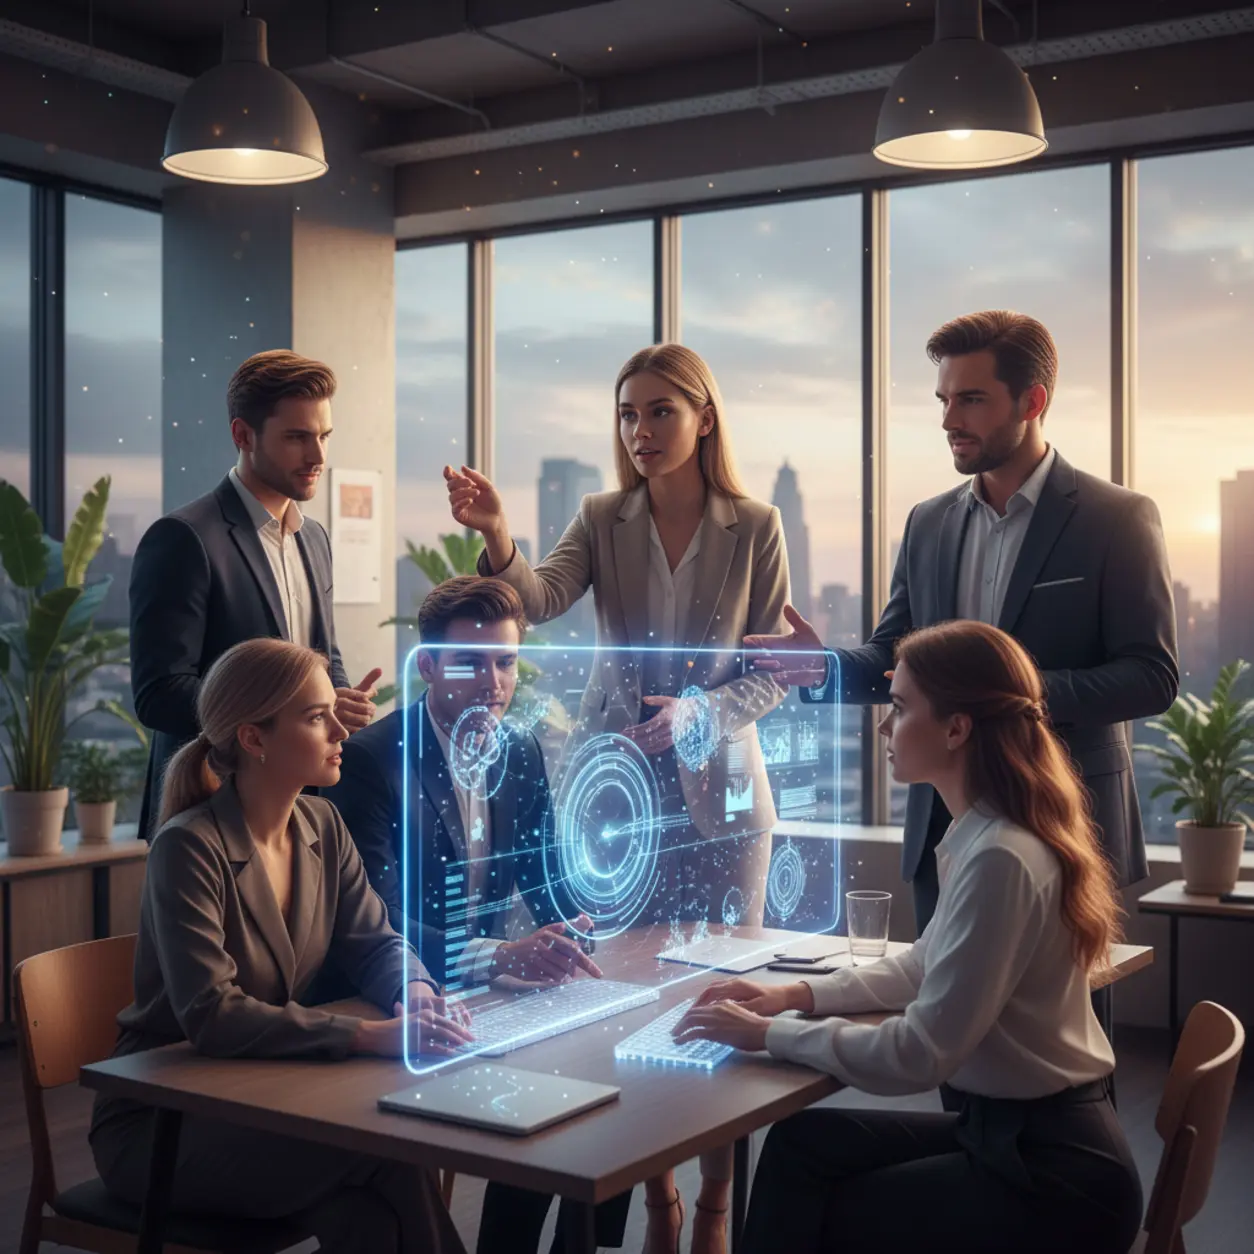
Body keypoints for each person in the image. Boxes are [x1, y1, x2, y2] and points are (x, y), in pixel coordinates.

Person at [444, 343, 791, 1254]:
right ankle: (655, 1191)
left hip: (723, 809)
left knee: (717, 1005)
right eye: (629, 414)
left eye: (661, 412)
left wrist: (698, 715)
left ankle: (714, 1196)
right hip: (616, 803)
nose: (641, 431)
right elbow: (541, 597)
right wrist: (498, 534)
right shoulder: (602, 517)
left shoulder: (755, 525)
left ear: (703, 418)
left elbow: (773, 672)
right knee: (621, 1006)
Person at [673, 620, 1144, 1254]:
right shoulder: (982, 833)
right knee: (799, 1146)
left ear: (957, 728)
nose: (883, 727)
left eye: (899, 708)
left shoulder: (1002, 854)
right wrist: (791, 998)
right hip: (1014, 1134)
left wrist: (769, 1037)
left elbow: (921, 1053)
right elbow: (922, 966)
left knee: (828, 1209)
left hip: (1053, 1175)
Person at [747, 310, 1177, 935]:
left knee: (1063, 1030)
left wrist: (999, 697)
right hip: (943, 831)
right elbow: (897, 656)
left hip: (1068, 824)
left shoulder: (1118, 518)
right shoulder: (929, 523)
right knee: (938, 1023)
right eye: (945, 400)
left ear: (1033, 400)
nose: (949, 420)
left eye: (971, 400)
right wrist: (825, 668)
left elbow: (1151, 677)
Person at [89, 638, 471, 1254]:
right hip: (164, 1123)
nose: (339, 732)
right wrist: (369, 1037)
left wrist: (415, 992)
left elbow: (376, 942)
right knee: (390, 1152)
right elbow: (212, 1015)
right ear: (254, 738)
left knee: (367, 1213)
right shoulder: (188, 847)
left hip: (261, 1091)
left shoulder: (322, 824)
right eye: (317, 717)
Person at [326, 574, 629, 1254]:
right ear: (427, 666)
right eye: (471, 662)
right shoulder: (374, 760)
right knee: (549, 1111)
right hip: (391, 996)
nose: (494, 683)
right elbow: (375, 916)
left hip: (484, 992)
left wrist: (586, 929)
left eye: (506, 662)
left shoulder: (517, 749)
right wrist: (501, 956)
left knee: (598, 1090)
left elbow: (544, 875)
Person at [129, 349, 383, 842]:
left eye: (323, 436)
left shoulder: (315, 539)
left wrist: (337, 701)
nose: (318, 457)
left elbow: (321, 658)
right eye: (297, 438)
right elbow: (158, 694)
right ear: (243, 435)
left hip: (299, 813)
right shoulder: (184, 538)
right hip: (208, 816)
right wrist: (288, 712)